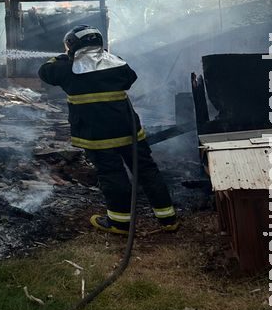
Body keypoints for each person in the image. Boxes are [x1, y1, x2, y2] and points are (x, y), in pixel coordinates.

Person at [38, 25, 179, 234]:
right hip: (129, 131)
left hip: (97, 136)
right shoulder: (116, 63)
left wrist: (63, 57)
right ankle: (168, 219)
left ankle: (120, 223)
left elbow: (45, 72)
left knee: (112, 174)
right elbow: (130, 77)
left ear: (72, 46)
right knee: (147, 171)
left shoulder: (65, 67)